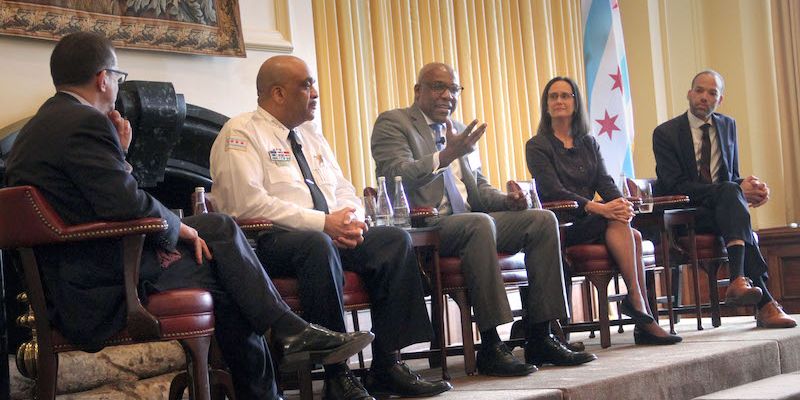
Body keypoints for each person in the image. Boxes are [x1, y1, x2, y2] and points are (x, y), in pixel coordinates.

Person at [3, 32, 375, 400]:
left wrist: (122, 156)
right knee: (227, 271)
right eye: (117, 78)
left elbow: (105, 197)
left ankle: (284, 342)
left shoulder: (43, 126)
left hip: (74, 272)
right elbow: (125, 204)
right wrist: (179, 227)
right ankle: (276, 360)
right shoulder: (85, 122)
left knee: (218, 229)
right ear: (103, 79)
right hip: (100, 281)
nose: (116, 88)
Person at [209, 55, 452, 399]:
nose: (315, 93)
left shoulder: (311, 135)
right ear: (278, 93)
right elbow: (246, 204)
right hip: (267, 243)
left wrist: (350, 220)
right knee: (316, 245)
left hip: (327, 233)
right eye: (306, 85)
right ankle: (337, 375)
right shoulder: (241, 132)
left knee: (393, 240)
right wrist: (323, 223)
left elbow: (343, 189)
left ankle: (387, 365)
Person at [370, 62, 597, 373]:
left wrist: (508, 201)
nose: (447, 95)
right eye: (438, 87)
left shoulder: (459, 128)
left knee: (542, 219)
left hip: (472, 221)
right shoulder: (394, 123)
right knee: (480, 223)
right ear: (418, 90)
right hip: (427, 225)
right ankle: (491, 344)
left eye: (453, 89)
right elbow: (396, 174)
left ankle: (541, 336)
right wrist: (446, 155)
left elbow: (477, 187)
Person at [526, 76, 683, 345]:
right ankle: (639, 310)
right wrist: (599, 207)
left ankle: (640, 310)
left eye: (565, 95)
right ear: (546, 104)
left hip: (594, 220)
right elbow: (552, 190)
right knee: (624, 228)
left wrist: (620, 204)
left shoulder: (588, 142)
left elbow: (605, 182)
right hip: (562, 225)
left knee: (631, 230)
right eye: (553, 96)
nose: (559, 101)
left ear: (576, 103)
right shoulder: (537, 145)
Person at [652, 69, 796, 329]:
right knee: (733, 202)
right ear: (689, 93)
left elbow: (732, 176)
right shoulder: (666, 133)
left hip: (723, 210)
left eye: (712, 93)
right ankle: (759, 297)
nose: (704, 97)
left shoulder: (727, 126)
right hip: (688, 214)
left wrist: (751, 189)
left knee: (732, 199)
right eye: (699, 90)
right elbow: (675, 185)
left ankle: (744, 285)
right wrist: (735, 190)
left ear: (720, 99)